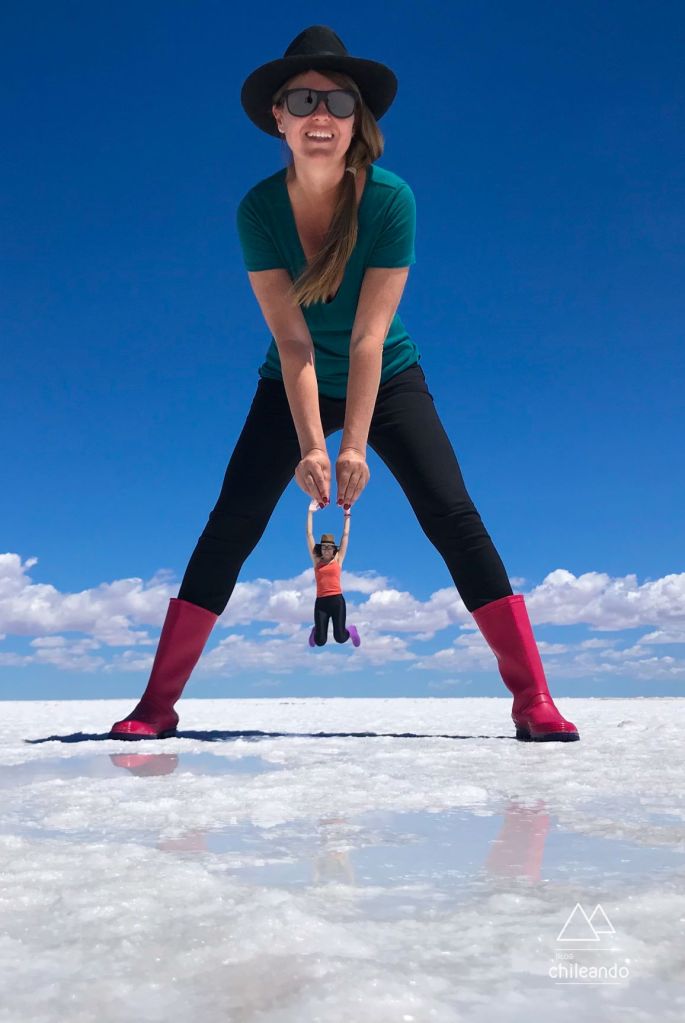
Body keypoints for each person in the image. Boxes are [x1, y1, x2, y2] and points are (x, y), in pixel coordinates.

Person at [109, 25, 579, 743]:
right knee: (231, 522)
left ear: (357, 117)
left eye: (337, 100)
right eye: (302, 98)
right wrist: (309, 444)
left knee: (452, 513)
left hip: (385, 375)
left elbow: (365, 337)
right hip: (289, 379)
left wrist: (352, 445)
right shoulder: (257, 210)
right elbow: (293, 338)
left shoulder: (391, 201)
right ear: (278, 116)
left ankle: (532, 699)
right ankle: (156, 704)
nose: (319, 114)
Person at [307, 500, 360, 648]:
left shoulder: (338, 559)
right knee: (320, 641)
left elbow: (345, 534)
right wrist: (310, 512)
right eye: (324, 548)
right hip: (321, 602)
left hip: (337, 601)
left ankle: (351, 630)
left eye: (329, 548)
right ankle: (315, 631)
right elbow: (309, 534)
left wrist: (347, 514)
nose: (326, 550)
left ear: (334, 550)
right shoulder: (317, 561)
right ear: (321, 549)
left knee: (340, 638)